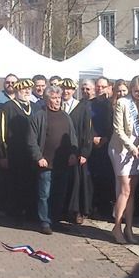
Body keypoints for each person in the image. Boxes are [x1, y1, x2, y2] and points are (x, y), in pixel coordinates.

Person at [27, 85, 78, 234]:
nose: (57, 101)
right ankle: (45, 222)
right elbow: (31, 140)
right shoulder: (40, 116)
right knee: (45, 194)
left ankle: (55, 220)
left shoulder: (65, 116)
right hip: (46, 163)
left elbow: (72, 137)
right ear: (47, 99)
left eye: (58, 98)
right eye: (54, 98)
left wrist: (73, 153)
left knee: (59, 193)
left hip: (63, 163)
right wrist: (38, 157)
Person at [108, 75, 139, 244]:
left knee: (132, 192)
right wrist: (131, 147)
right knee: (124, 190)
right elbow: (118, 129)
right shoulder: (122, 103)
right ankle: (117, 227)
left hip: (136, 150)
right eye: (136, 91)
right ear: (131, 88)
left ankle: (129, 228)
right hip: (121, 149)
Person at [0, 79, 38, 222]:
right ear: (17, 91)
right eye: (23, 89)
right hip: (13, 154)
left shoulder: (35, 108)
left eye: (28, 89)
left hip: (30, 154)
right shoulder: (6, 107)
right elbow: (0, 133)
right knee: (15, 184)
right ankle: (14, 213)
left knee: (30, 184)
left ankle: (29, 211)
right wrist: (3, 155)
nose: (26, 92)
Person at [60, 78, 94, 224]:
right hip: (60, 151)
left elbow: (88, 131)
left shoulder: (81, 107)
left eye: (69, 89)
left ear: (74, 91)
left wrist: (85, 152)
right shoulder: (56, 105)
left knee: (76, 182)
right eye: (63, 88)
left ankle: (76, 211)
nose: (66, 91)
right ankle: (61, 210)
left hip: (77, 150)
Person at [89, 76, 115, 220]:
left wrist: (105, 138)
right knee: (93, 177)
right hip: (92, 144)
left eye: (103, 86)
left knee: (107, 179)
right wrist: (93, 137)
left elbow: (114, 125)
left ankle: (106, 209)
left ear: (108, 88)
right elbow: (86, 124)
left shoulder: (111, 105)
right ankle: (93, 207)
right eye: (98, 86)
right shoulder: (88, 104)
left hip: (107, 145)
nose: (100, 89)